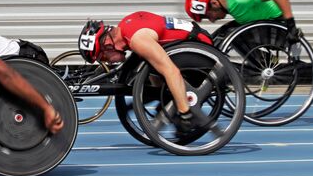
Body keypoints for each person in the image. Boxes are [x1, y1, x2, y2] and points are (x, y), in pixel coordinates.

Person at [78, 11, 213, 131]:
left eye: (102, 57)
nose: (107, 62)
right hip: (193, 43)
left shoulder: (138, 40)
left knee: (164, 71)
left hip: (200, 49)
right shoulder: (126, 26)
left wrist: (185, 114)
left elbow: (172, 72)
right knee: (154, 69)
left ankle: (183, 110)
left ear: (107, 44)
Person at [185, 0, 301, 44]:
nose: (212, 20)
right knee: (222, 35)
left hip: (277, 25)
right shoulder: (229, 0)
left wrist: (291, 24)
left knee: (232, 35)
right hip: (259, 23)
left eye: (207, 15)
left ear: (215, 3)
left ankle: (259, 64)